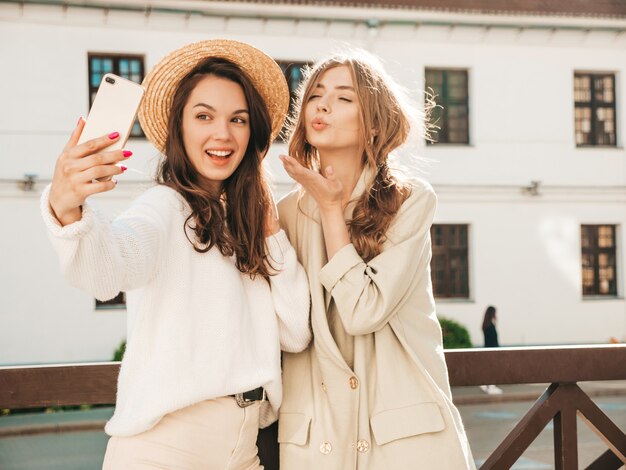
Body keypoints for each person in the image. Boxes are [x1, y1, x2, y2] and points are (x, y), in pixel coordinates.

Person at [41, 39, 311, 469]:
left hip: (243, 450)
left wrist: (272, 234)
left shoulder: (250, 224)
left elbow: (296, 331)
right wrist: (66, 206)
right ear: (179, 128)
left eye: (237, 119)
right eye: (203, 116)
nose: (222, 133)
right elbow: (106, 270)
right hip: (166, 450)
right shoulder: (165, 207)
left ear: (252, 132)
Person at [276, 50, 475, 469]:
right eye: (316, 95)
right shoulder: (285, 214)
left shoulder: (410, 201)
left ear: (373, 121)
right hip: (317, 441)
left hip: (399, 441)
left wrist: (332, 213)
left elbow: (363, 311)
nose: (324, 105)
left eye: (344, 98)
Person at [480, 306, 503, 395]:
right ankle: (490, 386)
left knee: (489, 368)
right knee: (492, 368)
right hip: (492, 351)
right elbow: (493, 341)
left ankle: (489, 385)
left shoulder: (486, 325)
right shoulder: (490, 326)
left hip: (487, 349)